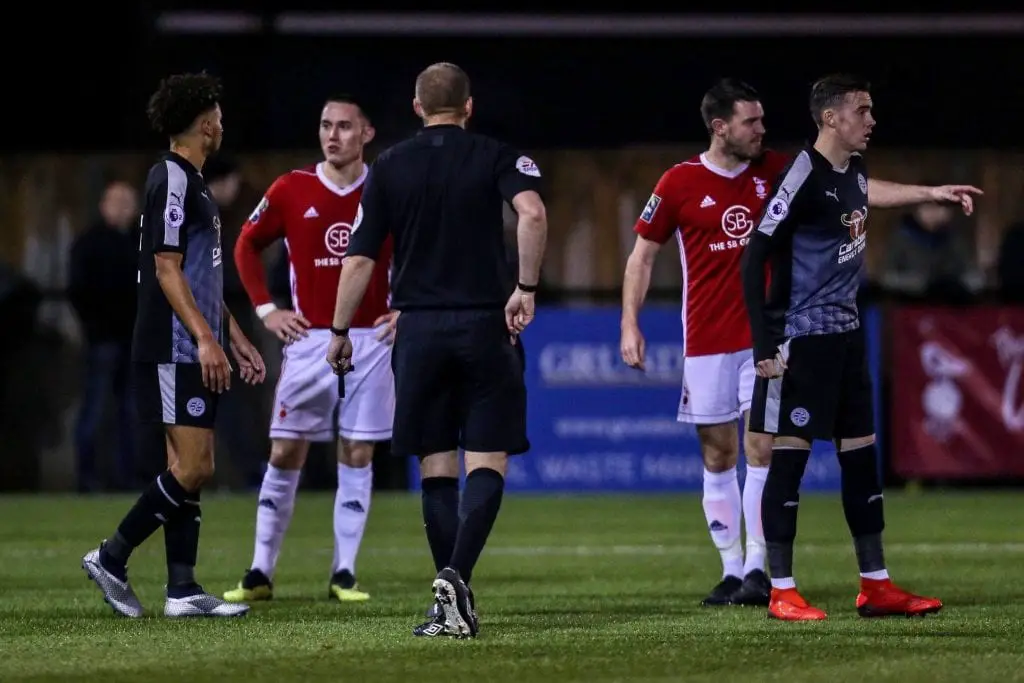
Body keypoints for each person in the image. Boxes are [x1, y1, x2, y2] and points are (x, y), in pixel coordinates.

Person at [741, 73, 982, 621]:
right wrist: (764, 340)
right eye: (862, 110)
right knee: (790, 459)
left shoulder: (852, 171)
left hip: (848, 336)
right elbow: (756, 256)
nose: (871, 120)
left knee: (861, 460)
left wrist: (932, 192)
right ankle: (781, 589)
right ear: (831, 117)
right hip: (802, 338)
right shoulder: (801, 174)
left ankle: (876, 586)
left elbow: (867, 195)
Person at [326, 62, 547, 639]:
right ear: (468, 107)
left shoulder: (390, 166)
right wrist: (524, 288)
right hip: (483, 322)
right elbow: (533, 212)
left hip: (417, 330)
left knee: (436, 462)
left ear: (417, 107)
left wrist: (340, 329)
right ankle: (456, 575)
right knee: (487, 457)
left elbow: (359, 258)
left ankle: (449, 597)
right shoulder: (496, 155)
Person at [81, 71, 267, 618]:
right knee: (195, 466)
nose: (222, 122)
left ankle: (182, 589)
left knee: (186, 464)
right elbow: (167, 268)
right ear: (205, 121)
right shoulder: (173, 177)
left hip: (191, 340)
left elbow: (200, 276)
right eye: (218, 113)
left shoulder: (193, 180)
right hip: (174, 344)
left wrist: (231, 335)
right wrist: (206, 339)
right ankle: (111, 556)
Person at [223, 95, 396, 604]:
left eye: (345, 126)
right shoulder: (291, 189)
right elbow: (245, 245)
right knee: (285, 449)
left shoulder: (387, 188)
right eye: (325, 125)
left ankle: (344, 573)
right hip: (309, 340)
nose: (333, 135)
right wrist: (265, 309)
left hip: (371, 339)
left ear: (367, 133)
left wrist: (405, 305)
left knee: (358, 450)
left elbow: (422, 246)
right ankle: (259, 572)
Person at [621, 79, 787, 608]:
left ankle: (761, 568)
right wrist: (630, 323)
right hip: (708, 340)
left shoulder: (777, 171)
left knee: (762, 447)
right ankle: (732, 570)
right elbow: (641, 256)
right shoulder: (678, 182)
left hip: (764, 338)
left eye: (762, 121)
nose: (761, 131)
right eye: (751, 122)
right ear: (721, 127)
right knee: (719, 455)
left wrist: (925, 192)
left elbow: (852, 189)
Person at [68, 180, 140, 491]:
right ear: (103, 205)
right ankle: (87, 477)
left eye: (128, 201)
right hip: (102, 341)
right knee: (95, 411)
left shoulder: (142, 241)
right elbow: (78, 290)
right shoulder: (90, 243)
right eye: (116, 201)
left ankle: (126, 478)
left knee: (132, 416)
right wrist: (94, 328)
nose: (123, 207)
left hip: (134, 342)